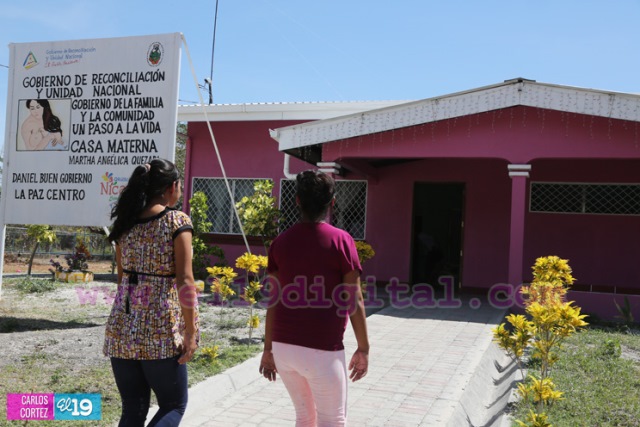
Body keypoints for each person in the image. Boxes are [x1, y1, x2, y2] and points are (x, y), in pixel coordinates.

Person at [259, 170, 370, 426]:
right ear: (332, 203)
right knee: (333, 420)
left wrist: (268, 349)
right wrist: (363, 348)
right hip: (323, 351)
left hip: (284, 349)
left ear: (297, 200)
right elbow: (354, 300)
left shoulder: (280, 243)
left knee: (304, 417)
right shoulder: (342, 241)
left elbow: (273, 300)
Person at [104, 159, 198, 427]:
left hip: (122, 327)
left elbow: (122, 278)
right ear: (172, 187)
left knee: (132, 410)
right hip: (160, 330)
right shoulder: (176, 221)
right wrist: (190, 332)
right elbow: (185, 280)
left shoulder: (126, 223)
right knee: (174, 404)